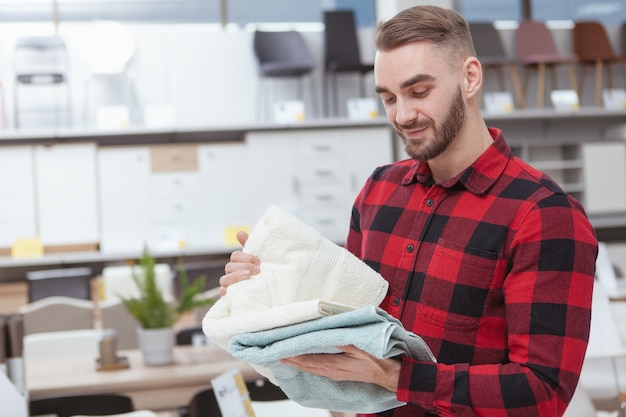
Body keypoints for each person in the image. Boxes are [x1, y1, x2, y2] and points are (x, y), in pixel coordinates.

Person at [219, 5, 598, 417]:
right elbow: (346, 320)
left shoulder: (544, 215)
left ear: (469, 77)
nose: (402, 115)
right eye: (388, 97)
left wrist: (395, 377)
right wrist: (265, 286)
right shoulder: (378, 191)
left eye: (419, 92)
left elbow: (543, 394)